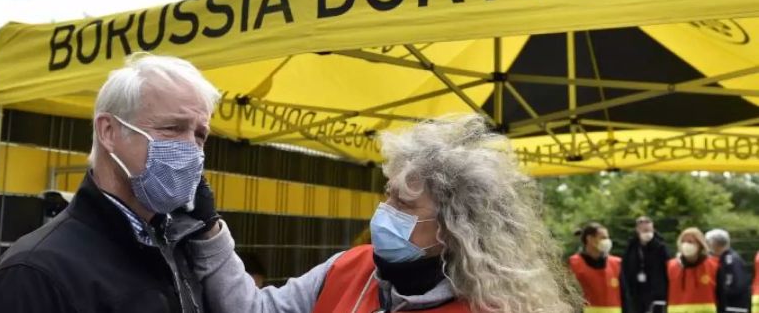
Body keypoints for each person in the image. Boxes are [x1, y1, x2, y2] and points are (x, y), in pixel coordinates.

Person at [187, 115, 582, 313]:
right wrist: (210, 231)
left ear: (454, 228)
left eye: (405, 205)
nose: (383, 212)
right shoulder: (349, 266)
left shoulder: (487, 307)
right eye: (388, 194)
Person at [0, 54, 221, 312]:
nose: (191, 148)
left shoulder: (181, 248)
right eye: (172, 128)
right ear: (108, 132)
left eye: (200, 135)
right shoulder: (33, 275)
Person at [569, 222, 624, 313]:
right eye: (603, 238)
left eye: (607, 238)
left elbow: (628, 295)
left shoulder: (617, 263)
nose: (607, 241)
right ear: (590, 239)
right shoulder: (574, 263)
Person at [621, 216, 671, 313]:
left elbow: (667, 268)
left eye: (649, 230)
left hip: (656, 291)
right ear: (637, 230)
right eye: (644, 230)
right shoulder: (631, 247)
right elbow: (625, 267)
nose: (647, 233)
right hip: (636, 291)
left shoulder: (660, 247)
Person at [667, 228, 719, 313]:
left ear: (700, 245)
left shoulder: (714, 265)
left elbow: (721, 296)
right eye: (683, 241)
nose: (686, 245)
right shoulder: (671, 266)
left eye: (690, 242)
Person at [706, 229, 751, 313]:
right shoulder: (726, 258)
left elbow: (735, 285)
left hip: (733, 308)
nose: (707, 247)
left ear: (715, 244)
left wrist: (717, 293)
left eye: (708, 243)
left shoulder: (730, 260)